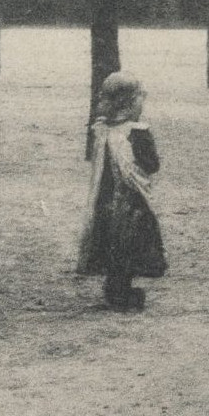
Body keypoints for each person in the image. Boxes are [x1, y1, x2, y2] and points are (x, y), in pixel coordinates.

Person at [76, 71, 166, 313]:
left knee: (110, 242)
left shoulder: (101, 130)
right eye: (139, 100)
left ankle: (115, 290)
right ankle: (123, 293)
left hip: (105, 199)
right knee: (128, 243)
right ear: (128, 103)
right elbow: (151, 165)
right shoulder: (136, 132)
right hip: (130, 199)